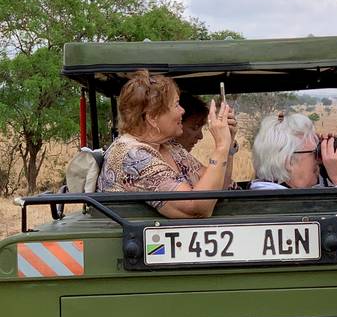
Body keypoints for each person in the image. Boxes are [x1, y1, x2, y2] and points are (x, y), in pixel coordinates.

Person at [97, 70, 234, 218]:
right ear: (153, 118)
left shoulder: (168, 146)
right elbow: (196, 207)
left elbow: (217, 187)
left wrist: (229, 143)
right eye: (176, 105)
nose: (182, 111)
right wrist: (221, 147)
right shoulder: (133, 158)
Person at [250, 113, 337, 190]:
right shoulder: (277, 202)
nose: (319, 160)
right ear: (288, 161)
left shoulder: (267, 193)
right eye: (315, 152)